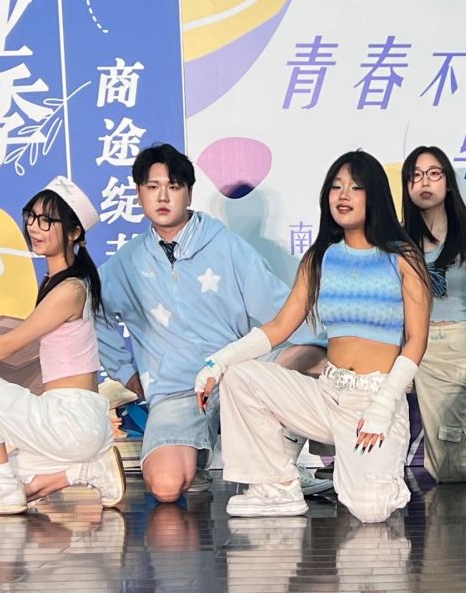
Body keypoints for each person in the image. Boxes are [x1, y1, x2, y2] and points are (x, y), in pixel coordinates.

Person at [197, 150, 431, 522]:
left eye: (355, 187)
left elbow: (417, 340)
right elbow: (279, 327)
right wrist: (218, 362)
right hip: (327, 393)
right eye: (336, 187)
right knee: (240, 376)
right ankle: (277, 487)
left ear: (375, 196)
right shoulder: (320, 257)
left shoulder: (403, 257)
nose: (343, 195)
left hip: (375, 399)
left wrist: (384, 404)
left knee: (370, 510)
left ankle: (356, 469)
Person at [93, 143, 324, 503]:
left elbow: (279, 307)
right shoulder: (127, 262)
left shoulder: (226, 245)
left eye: (173, 186)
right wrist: (125, 373)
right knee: (166, 486)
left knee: (315, 355)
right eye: (153, 187)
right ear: (139, 193)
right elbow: (93, 313)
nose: (163, 197)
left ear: (189, 192)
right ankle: (195, 458)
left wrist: (321, 348)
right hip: (178, 390)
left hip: (237, 372)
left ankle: (284, 464)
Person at [0, 174, 125, 515]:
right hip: (75, 422)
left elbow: (11, 342)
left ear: (74, 232)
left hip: (70, 420)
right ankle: (85, 471)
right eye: (32, 217)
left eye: (47, 220)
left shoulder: (69, 290)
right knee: (8, 480)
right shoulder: (63, 283)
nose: (34, 228)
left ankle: (5, 489)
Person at [401, 143, 466, 485]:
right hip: (414, 350)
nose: (424, 182)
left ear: (448, 183)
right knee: (439, 460)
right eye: (415, 176)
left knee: (453, 458)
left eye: (433, 173)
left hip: (457, 350)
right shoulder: (399, 242)